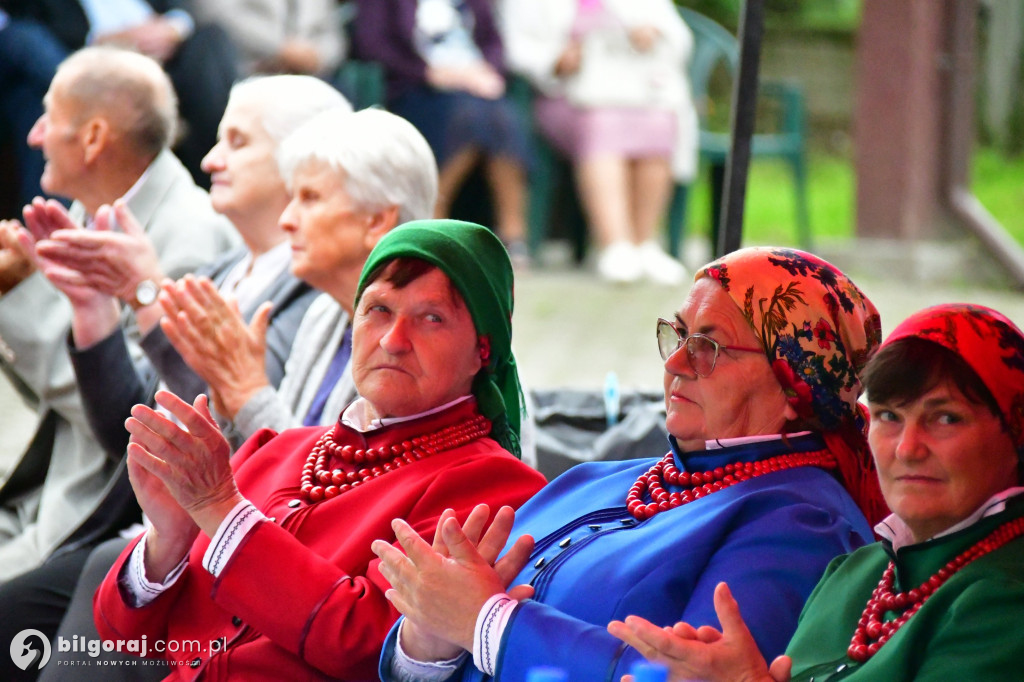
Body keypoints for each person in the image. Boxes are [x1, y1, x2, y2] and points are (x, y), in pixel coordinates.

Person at [375, 246, 887, 680]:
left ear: (793, 385)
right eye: (678, 335)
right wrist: (427, 638)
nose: (675, 363)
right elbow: (446, 634)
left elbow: (681, 673)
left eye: (708, 347)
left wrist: (487, 622)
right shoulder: (593, 479)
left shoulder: (804, 525)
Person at [0, 76, 349, 682]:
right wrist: (93, 310)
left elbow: (240, 442)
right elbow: (128, 426)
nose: (210, 158)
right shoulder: (225, 268)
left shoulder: (309, 291)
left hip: (204, 549)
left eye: (237, 142)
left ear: (302, 159)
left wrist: (147, 295)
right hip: (157, 537)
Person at [93, 219, 548, 679]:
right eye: (378, 310)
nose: (393, 340)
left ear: (482, 352)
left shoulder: (496, 485)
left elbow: (368, 645)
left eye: (432, 318)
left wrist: (220, 509)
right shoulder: (279, 449)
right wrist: (168, 539)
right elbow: (124, 633)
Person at [610, 303, 1024, 682]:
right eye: (888, 416)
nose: (907, 448)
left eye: (946, 418)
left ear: (1015, 431)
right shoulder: (854, 573)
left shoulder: (1004, 601)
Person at [0, 45, 234, 583]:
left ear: (93, 138)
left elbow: (132, 418)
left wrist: (25, 299)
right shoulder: (93, 204)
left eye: (48, 118)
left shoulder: (189, 236)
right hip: (35, 477)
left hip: (102, 510)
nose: (33, 136)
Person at [500, 0, 696, 284]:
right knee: (602, 123)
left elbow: (679, 39)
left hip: (637, 95)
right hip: (565, 98)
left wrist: (653, 33)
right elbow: (515, 47)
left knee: (660, 122)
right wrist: (556, 60)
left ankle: (645, 244)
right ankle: (615, 245)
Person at [353, 0, 532, 263]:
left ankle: (512, 233)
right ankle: (433, 214)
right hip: (415, 88)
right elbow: (372, 44)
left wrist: (485, 71)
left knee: (496, 113)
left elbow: (493, 41)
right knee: (472, 116)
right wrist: (428, 74)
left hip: (475, 88)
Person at [3, 0, 238, 188]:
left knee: (211, 40)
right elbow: (31, 33)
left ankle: (216, 173)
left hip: (170, 59)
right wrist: (100, 41)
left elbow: (181, 13)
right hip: (92, 63)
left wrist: (172, 29)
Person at [190, 0, 346, 79]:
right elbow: (217, 15)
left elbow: (333, 34)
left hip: (311, 75)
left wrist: (317, 57)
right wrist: (281, 49)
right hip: (246, 69)